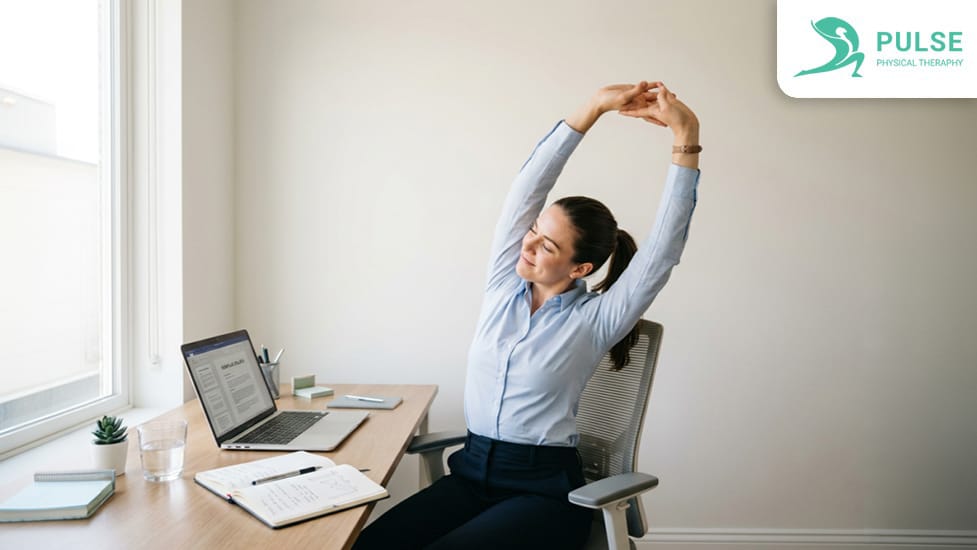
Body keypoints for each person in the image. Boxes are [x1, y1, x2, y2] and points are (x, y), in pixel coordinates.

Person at [352, 80, 701, 550]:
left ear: (580, 268)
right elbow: (526, 189)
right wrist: (593, 108)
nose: (529, 245)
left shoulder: (596, 320)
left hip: (544, 494)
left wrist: (686, 137)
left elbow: (663, 250)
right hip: (470, 475)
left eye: (547, 245)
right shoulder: (503, 286)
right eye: (533, 231)